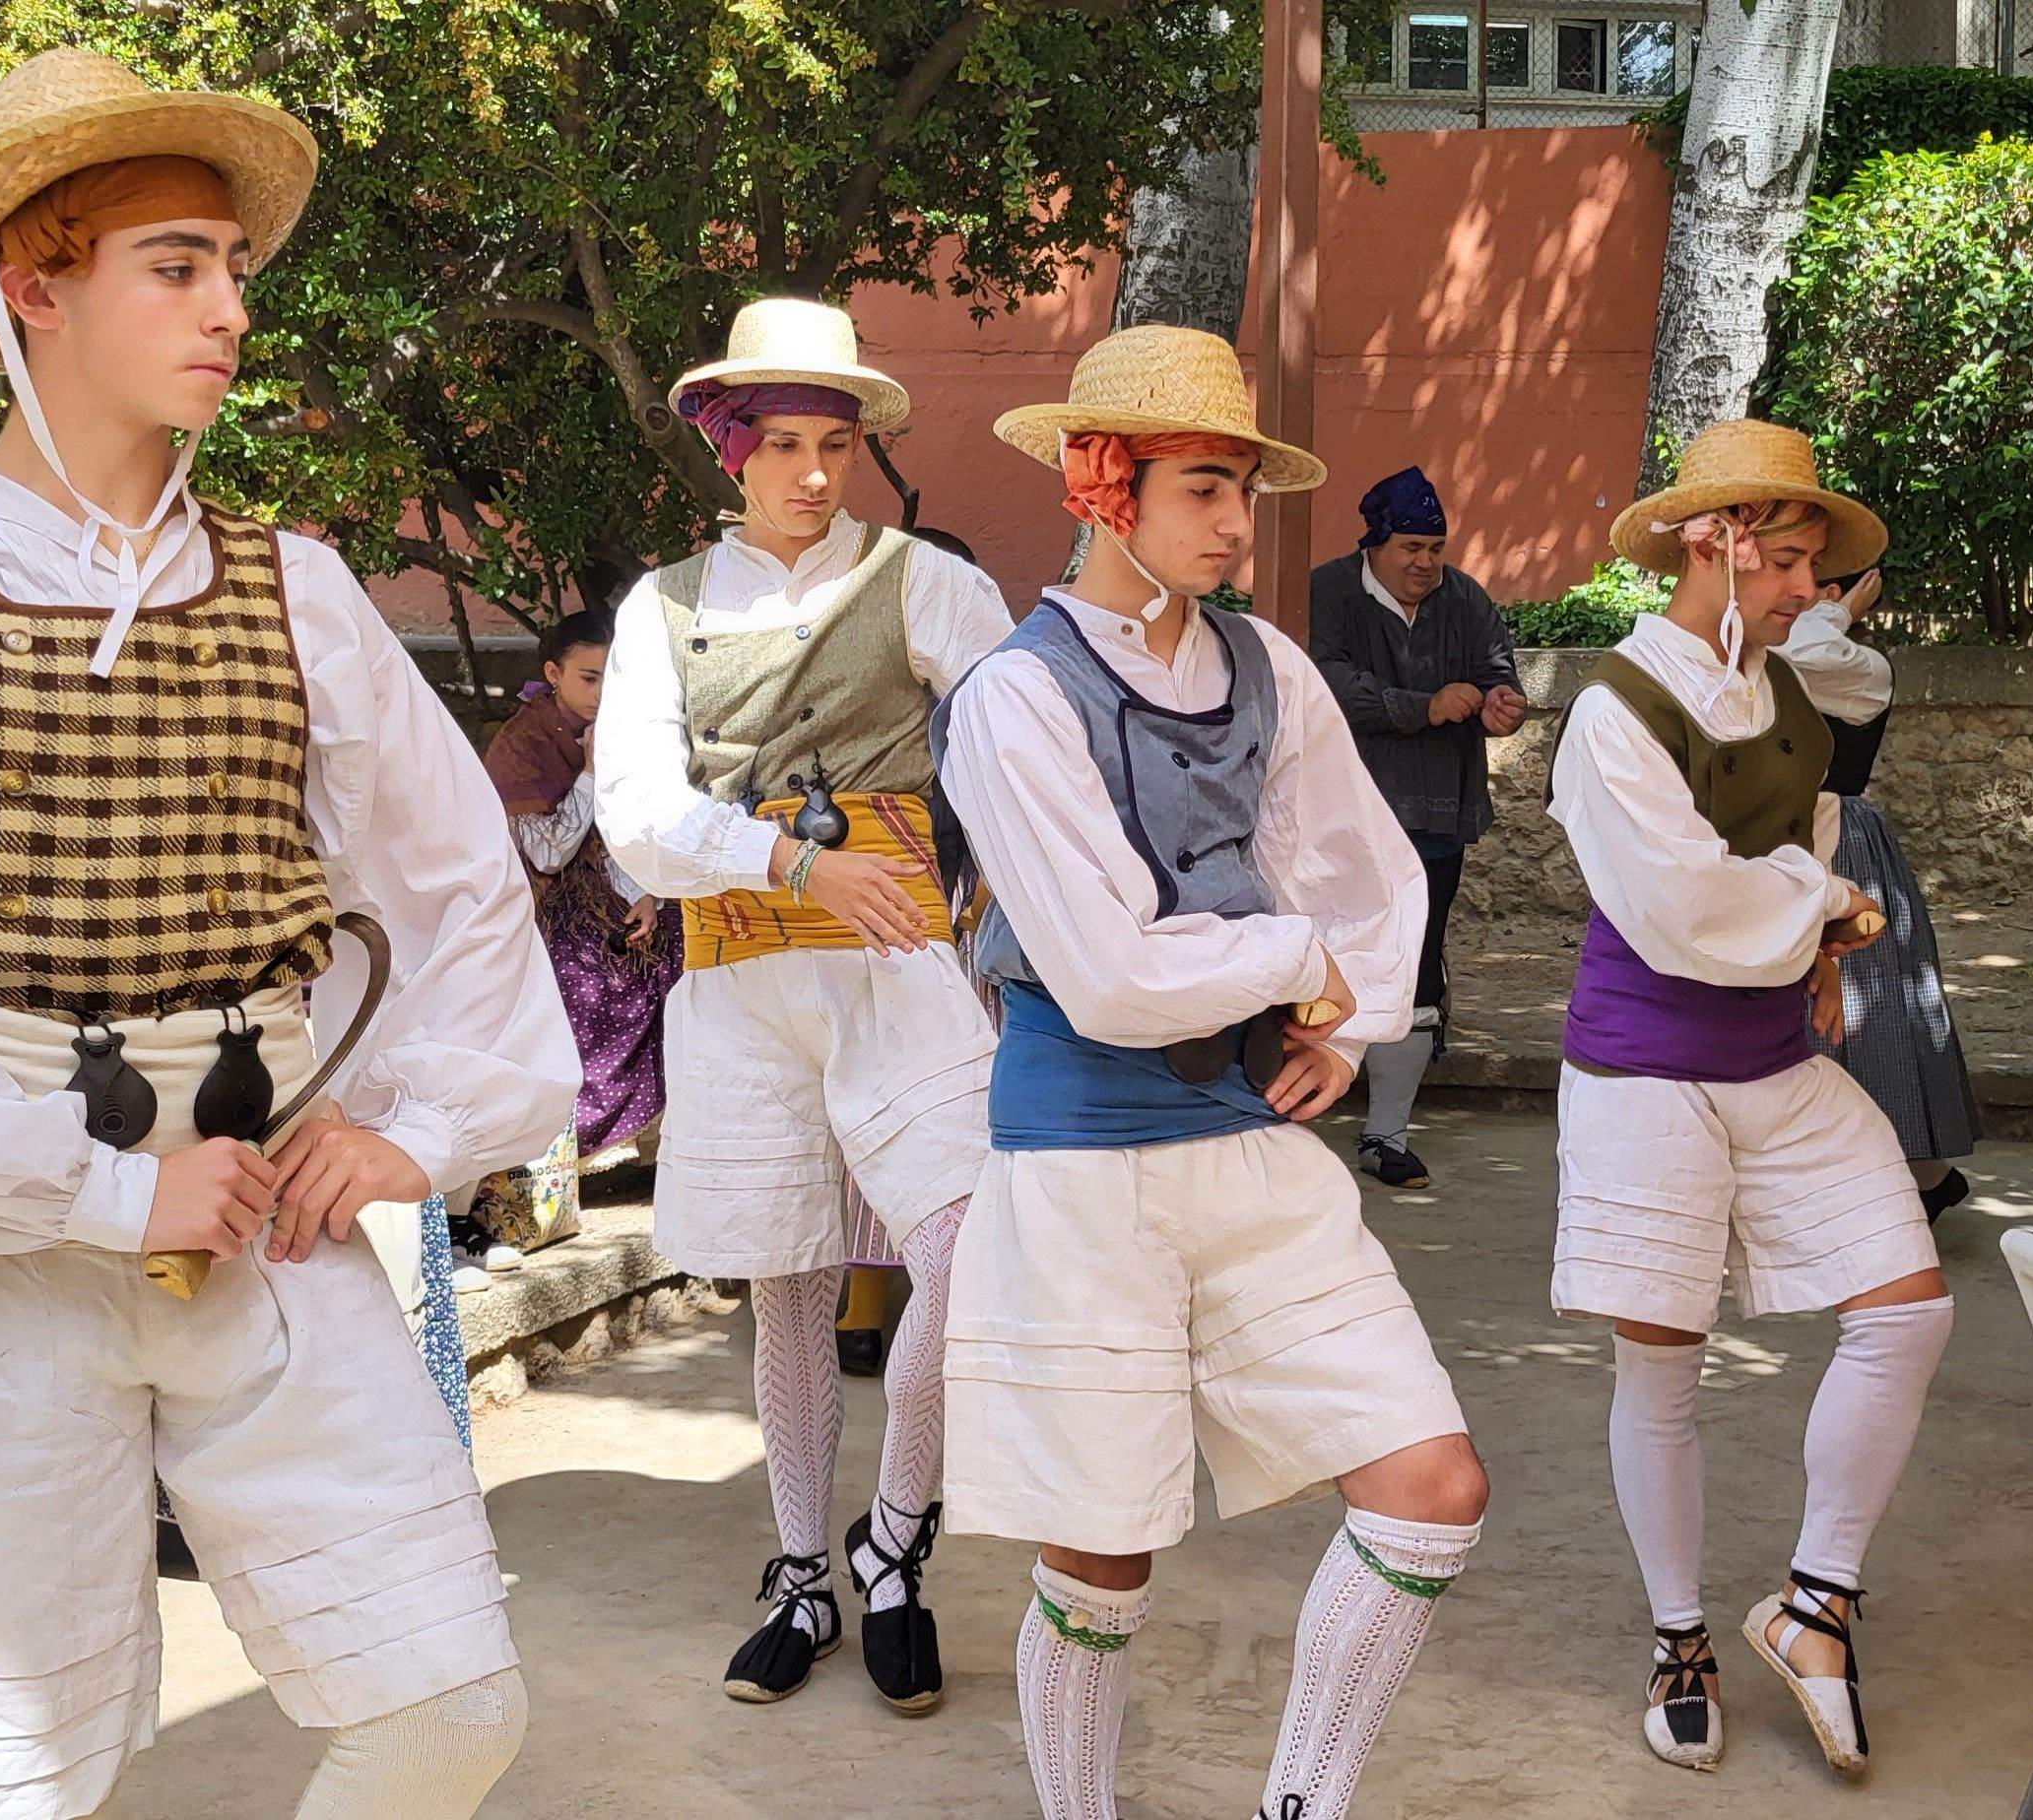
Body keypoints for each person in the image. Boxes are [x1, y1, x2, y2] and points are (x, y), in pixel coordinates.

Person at [0, 48, 569, 1820]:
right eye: (175, 265)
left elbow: (460, 884)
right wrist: (110, 1191)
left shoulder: (298, 589)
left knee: (444, 1708)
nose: (228, 308)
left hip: (267, 1242)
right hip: (5, 1273)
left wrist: (413, 1122)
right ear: (36, 286)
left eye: (234, 268)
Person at [946, 324, 1489, 1820]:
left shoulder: (1269, 664)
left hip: (1245, 1135)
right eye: (1205, 486)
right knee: (1102, 1550)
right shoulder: (1014, 696)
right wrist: (1293, 963)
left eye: (1244, 488)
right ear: (1103, 483)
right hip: (1079, 1163)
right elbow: (1110, 973)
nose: (1237, 523)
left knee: (1430, 1489)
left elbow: (1365, 873)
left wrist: (1347, 1016)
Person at [592, 297, 1011, 1715]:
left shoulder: (923, 584)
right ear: (732, 448)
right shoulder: (661, 608)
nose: (813, 472)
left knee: (957, 1249)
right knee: (789, 1282)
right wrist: (782, 859)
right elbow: (635, 819)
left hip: (899, 972)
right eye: (782, 443)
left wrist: (1022, 937)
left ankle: (893, 1541)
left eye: (836, 442)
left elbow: (1025, 749)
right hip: (744, 971)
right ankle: (801, 1573)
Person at [1545, 420, 1953, 1779]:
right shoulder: (1615, 708)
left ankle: (1814, 1608)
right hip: (1645, 1070)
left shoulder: (1784, 690)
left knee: (1909, 1306)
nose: (1805, 595)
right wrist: (1828, 908)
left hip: (1774, 1060)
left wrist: (1821, 946)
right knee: (1662, 1368)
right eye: (1786, 564)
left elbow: (1803, 827)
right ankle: (1680, 1637)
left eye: (1811, 569)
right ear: (1709, 545)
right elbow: (1678, 901)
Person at [1307, 467, 1525, 1190]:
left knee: (1414, 965)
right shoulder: (1326, 594)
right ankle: (1288, 1122)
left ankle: (1386, 1135)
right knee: (1314, 957)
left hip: (1434, 818)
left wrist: (1503, 702)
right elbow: (1325, 683)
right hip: (1335, 818)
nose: (1426, 562)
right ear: (1373, 543)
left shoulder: (1465, 600)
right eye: (1411, 546)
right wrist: (1421, 706)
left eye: (1436, 547)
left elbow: (1500, 668)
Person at [475, 606, 679, 1264]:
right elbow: (550, 852)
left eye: (614, 677)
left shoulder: (628, 729)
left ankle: (674, 1156)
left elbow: (642, 824)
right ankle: (564, 1146)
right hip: (542, 914)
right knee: (584, 983)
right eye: (591, 679)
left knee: (682, 958)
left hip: (616, 902)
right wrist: (591, 769)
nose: (604, 694)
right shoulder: (525, 744)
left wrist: (648, 890)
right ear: (554, 674)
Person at [1778, 570, 1982, 1218]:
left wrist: (1837, 613)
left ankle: (1902, 1178)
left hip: (1846, 845)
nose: (1794, 588)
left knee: (1871, 1018)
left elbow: (1805, 655)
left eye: (1812, 580)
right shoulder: (1778, 649)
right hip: (1787, 840)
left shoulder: (1860, 666)